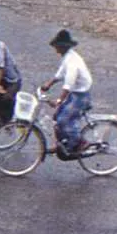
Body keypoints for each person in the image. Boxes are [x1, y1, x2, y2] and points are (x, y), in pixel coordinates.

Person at [39, 29, 93, 159]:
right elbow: (60, 74)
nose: (55, 48)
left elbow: (67, 85)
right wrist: (48, 84)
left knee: (63, 120)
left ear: (62, 47)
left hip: (81, 96)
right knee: (56, 116)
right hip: (75, 93)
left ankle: (81, 142)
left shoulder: (73, 63)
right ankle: (62, 144)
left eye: (57, 46)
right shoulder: (67, 57)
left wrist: (58, 101)